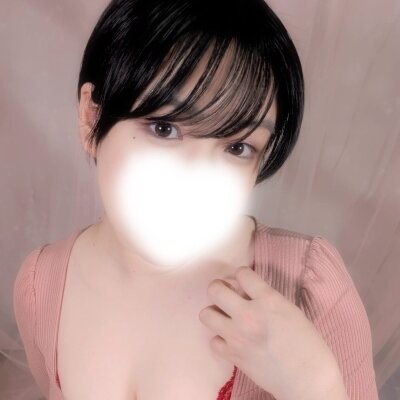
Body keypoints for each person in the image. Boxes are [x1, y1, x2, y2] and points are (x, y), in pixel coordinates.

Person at [13, 0, 379, 399]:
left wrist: (315, 385)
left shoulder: (308, 288)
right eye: (164, 128)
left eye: (237, 147)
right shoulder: (41, 285)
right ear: (91, 118)